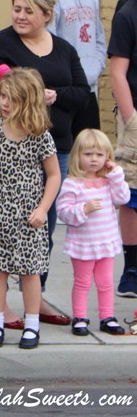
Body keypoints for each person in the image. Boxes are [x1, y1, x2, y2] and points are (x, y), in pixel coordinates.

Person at [0, 0, 89, 326]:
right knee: (0, 229)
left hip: (55, 146)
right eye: (17, 9)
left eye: (28, 11)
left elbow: (83, 93)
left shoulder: (64, 49)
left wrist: (54, 96)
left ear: (47, 15)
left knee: (41, 226)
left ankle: (35, 298)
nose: (20, 16)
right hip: (6, 150)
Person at [0, 68, 61, 350]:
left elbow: (54, 175)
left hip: (28, 212)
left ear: (28, 101)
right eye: (3, 96)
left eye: (12, 98)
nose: (4, 102)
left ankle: (31, 325)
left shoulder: (40, 135)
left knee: (30, 271)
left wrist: (44, 208)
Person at [56, 129, 129, 336]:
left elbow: (122, 198)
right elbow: (63, 212)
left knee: (106, 282)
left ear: (108, 157)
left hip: (106, 242)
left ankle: (107, 317)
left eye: (99, 154)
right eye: (88, 154)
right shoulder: (72, 183)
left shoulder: (108, 182)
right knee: (83, 282)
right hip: (83, 245)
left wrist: (116, 174)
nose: (94, 160)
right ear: (77, 156)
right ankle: (80, 317)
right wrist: (83, 209)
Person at [41, 0, 107, 134]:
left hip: (88, 89)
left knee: (88, 153)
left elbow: (99, 38)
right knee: (64, 154)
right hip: (62, 92)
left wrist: (95, 68)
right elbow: (46, 41)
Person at [108, 0, 137, 299]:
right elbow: (118, 72)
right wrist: (131, 119)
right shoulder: (129, 13)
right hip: (136, 118)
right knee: (132, 196)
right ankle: (131, 270)